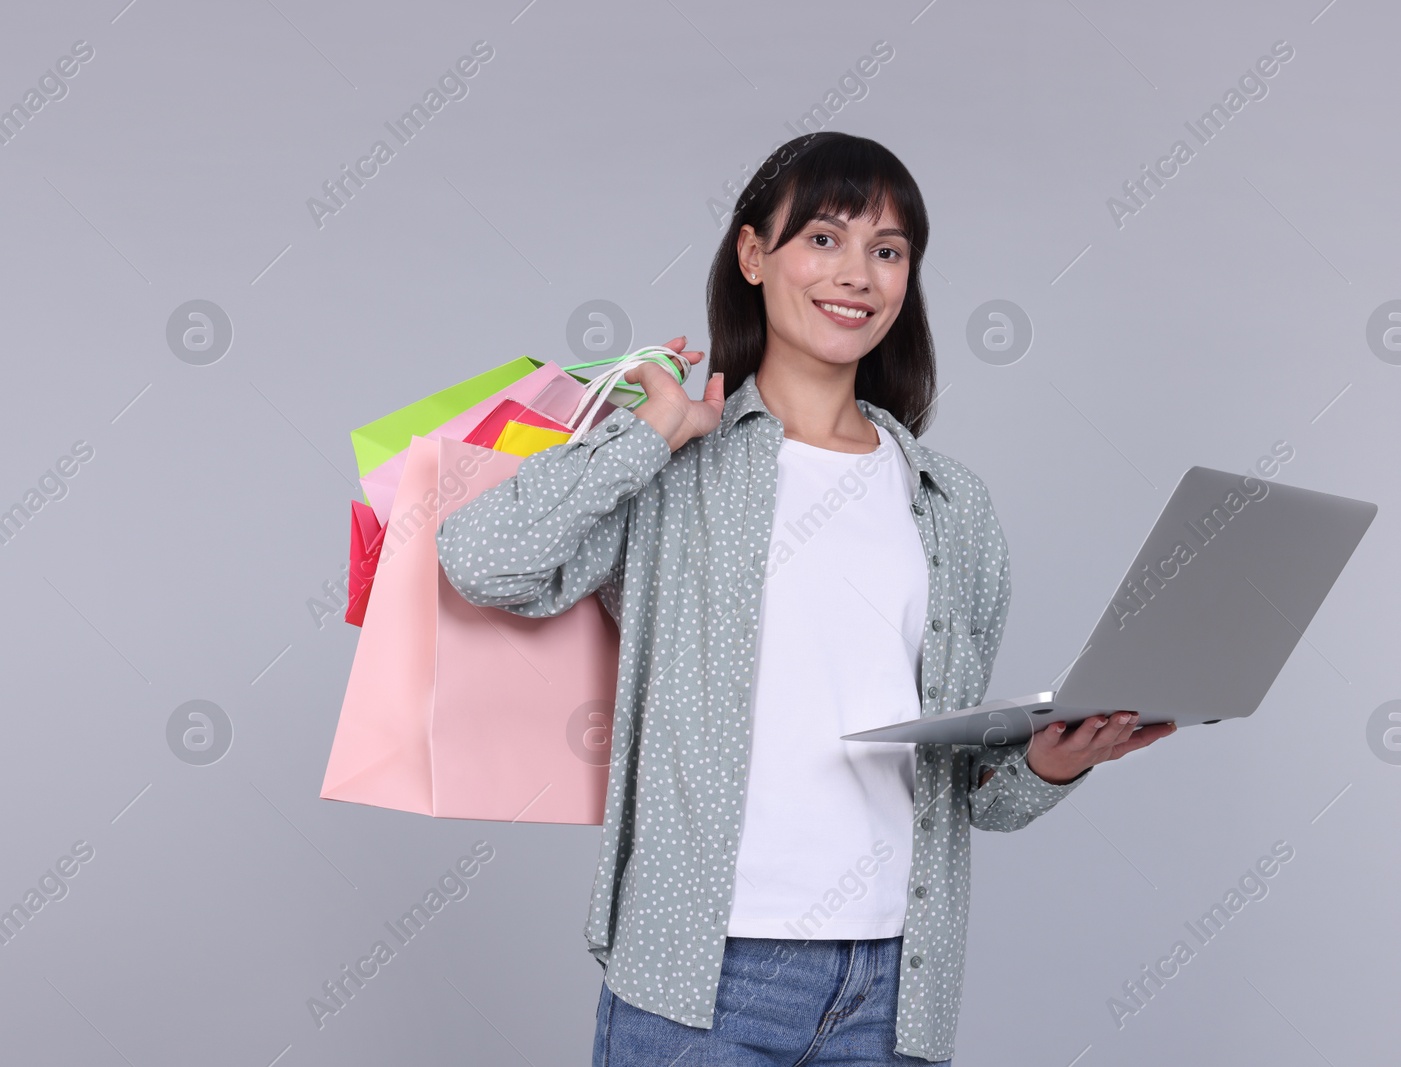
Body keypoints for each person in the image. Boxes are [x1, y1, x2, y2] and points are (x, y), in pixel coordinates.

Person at [436, 131, 1175, 1066]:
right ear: (754, 255)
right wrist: (650, 432)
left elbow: (972, 799)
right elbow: (483, 560)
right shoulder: (676, 467)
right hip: (703, 977)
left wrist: (1055, 763)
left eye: (888, 249)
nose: (857, 273)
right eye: (824, 238)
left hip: (895, 985)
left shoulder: (952, 503)